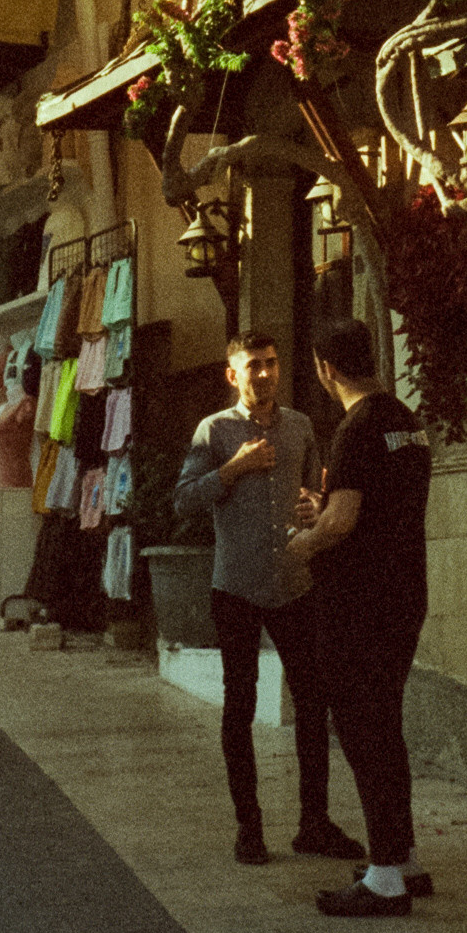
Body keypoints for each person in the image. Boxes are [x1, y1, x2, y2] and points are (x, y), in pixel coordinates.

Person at [174, 330, 366, 870]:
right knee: (239, 708)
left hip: (294, 586)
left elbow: (317, 495)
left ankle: (314, 824)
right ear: (233, 375)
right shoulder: (213, 430)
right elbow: (184, 500)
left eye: (272, 363)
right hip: (234, 587)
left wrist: (312, 506)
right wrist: (231, 470)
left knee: (312, 704)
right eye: (253, 365)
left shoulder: (302, 426)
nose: (264, 373)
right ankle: (249, 828)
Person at [288, 316, 434, 918]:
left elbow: (343, 523)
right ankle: (399, 859)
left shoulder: (355, 429)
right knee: (385, 725)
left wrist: (305, 539)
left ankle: (383, 880)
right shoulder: (406, 422)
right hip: (403, 594)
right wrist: (331, 509)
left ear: (326, 368)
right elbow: (376, 505)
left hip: (359, 603)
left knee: (361, 730)